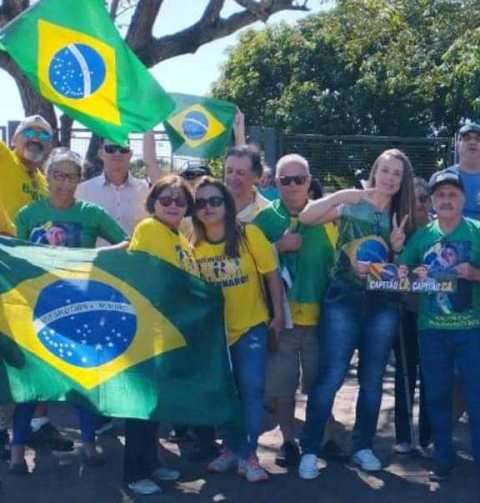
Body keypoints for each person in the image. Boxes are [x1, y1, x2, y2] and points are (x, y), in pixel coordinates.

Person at [297, 148, 416, 478]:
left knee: (373, 380)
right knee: (331, 376)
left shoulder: (401, 214)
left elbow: (404, 269)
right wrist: (341, 195)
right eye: (386, 170)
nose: (390, 178)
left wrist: (397, 246)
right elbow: (306, 217)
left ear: (402, 180)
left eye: (397, 173)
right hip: (343, 299)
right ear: (375, 171)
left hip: (383, 303)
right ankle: (310, 449)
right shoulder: (352, 203)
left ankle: (362, 446)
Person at [10, 148, 129, 474]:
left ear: (80, 179)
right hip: (35, 312)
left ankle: (89, 444)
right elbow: (15, 260)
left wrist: (100, 261)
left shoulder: (92, 214)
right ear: (46, 177)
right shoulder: (27, 215)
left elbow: (125, 244)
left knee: (82, 379)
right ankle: (17, 451)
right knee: (29, 383)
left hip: (79, 310)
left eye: (71, 176)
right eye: (58, 175)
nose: (64, 182)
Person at [191, 177, 284, 482]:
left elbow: (271, 276)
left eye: (215, 201)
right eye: (201, 202)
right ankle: (231, 450)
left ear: (227, 205)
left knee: (252, 390)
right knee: (226, 394)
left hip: (251, 327)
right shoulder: (191, 245)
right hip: (214, 335)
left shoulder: (248, 234)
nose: (208, 207)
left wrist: (277, 316)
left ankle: (250, 454)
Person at [253, 154, 341, 467]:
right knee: (282, 386)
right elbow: (249, 262)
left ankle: (327, 438)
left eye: (299, 179)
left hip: (321, 318)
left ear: (309, 181)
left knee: (321, 383)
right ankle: (288, 441)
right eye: (285, 180)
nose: (292, 186)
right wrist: (277, 247)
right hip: (282, 317)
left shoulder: (328, 216)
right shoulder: (264, 220)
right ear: (275, 183)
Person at [397, 169, 480, 481]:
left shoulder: (476, 231)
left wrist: (473, 274)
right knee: (437, 396)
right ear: (431, 201)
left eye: (452, 194)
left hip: (473, 329)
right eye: (440, 195)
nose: (446, 200)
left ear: (464, 199)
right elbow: (402, 271)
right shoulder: (423, 236)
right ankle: (442, 457)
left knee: (477, 396)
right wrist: (406, 272)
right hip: (432, 331)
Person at [0, 115, 75, 455]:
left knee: (36, 353)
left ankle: (37, 425)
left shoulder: (45, 182)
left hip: (32, 283)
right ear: (13, 138)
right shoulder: (3, 157)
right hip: (4, 275)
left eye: (44, 135)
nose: (36, 138)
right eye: (28, 132)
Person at [124, 174, 196, 495]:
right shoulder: (150, 229)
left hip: (167, 334)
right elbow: (150, 280)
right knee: (141, 408)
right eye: (165, 199)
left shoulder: (179, 238)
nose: (172, 205)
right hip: (146, 332)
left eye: (180, 201)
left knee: (155, 407)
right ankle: (134, 473)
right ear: (153, 203)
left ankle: (150, 463)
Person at [393, 177, 432, 455]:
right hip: (404, 310)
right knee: (405, 375)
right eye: (412, 198)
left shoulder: (437, 231)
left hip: (432, 314)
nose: (417, 204)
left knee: (431, 375)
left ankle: (427, 438)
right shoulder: (397, 230)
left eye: (421, 198)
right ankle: (403, 437)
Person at [76, 139, 155, 245]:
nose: (117, 153)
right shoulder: (83, 191)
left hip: (135, 259)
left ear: (130, 154)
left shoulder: (146, 190)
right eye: (110, 149)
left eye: (123, 149)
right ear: (101, 153)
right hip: (98, 260)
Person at [224, 145, 271, 222]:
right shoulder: (210, 204)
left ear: (256, 176)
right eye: (229, 171)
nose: (233, 177)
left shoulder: (268, 213)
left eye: (240, 173)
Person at [449, 122, 480, 220]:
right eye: (466, 138)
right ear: (457, 145)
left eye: (478, 139)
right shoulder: (442, 177)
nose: (472, 142)